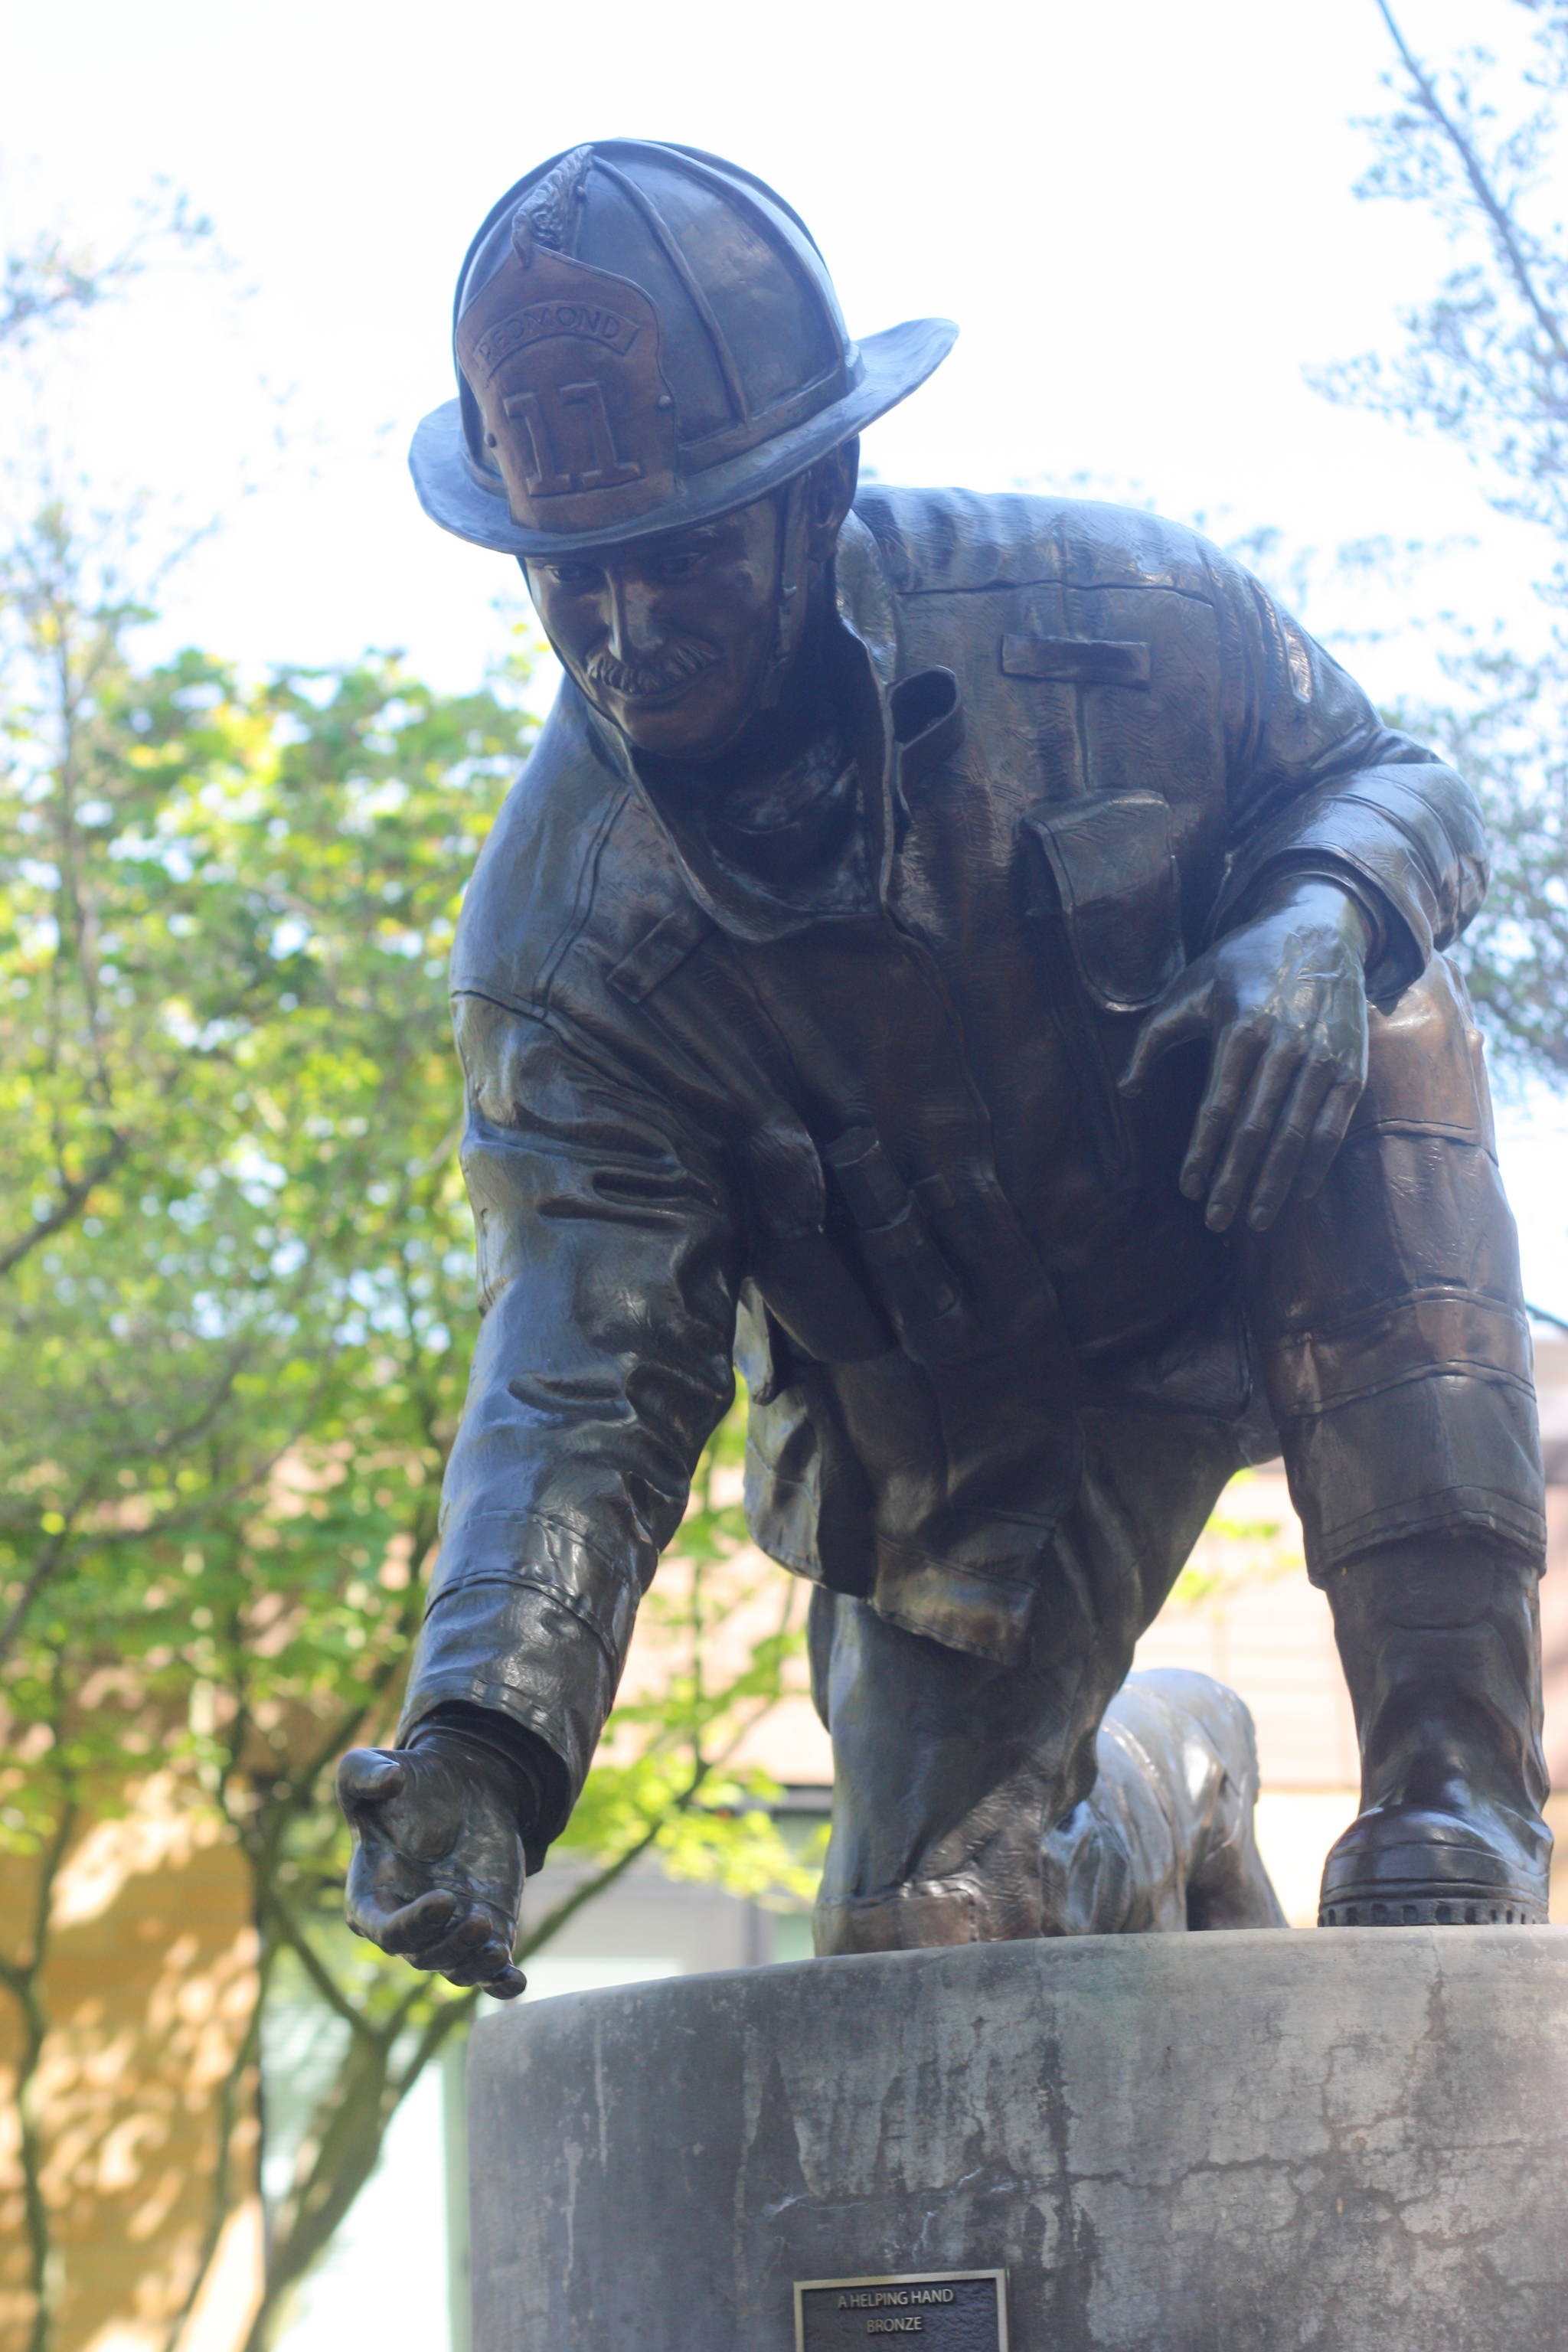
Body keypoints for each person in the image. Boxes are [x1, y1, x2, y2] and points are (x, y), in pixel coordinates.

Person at [337, 141, 1550, 1997]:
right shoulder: (564, 948)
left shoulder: (1118, 616)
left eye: (674, 557)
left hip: (1247, 1204)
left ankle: (1452, 1777)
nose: (625, 631)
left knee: (1373, 1014)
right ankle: (1174, 1777)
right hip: (957, 1434)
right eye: (570, 578)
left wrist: (1312, 908)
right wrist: (480, 1753)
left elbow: (1402, 787)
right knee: (927, 1954)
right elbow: (576, 1372)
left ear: (819, 486)